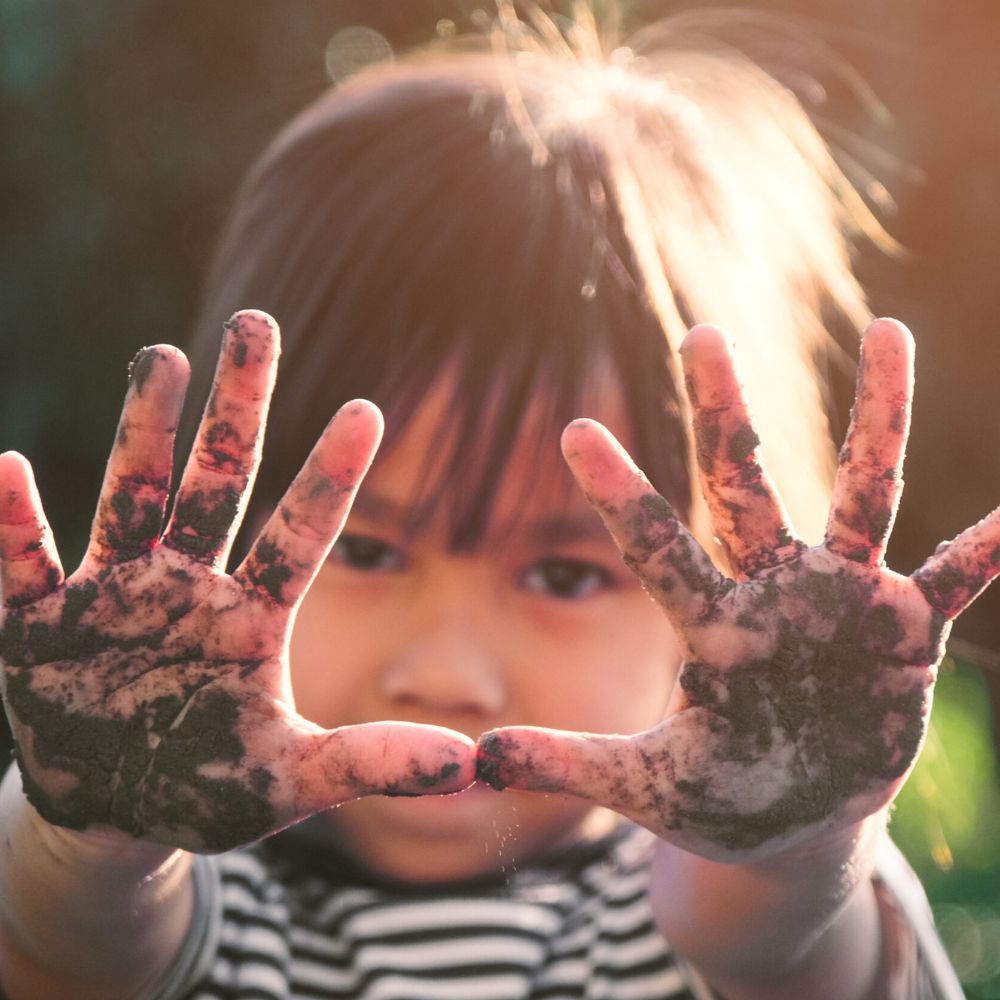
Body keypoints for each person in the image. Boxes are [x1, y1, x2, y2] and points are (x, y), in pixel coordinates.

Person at [0, 6, 995, 998]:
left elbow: (783, 949)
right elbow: (73, 945)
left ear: (725, 589)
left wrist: (785, 849)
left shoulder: (704, 914)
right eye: (371, 550)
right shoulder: (178, 881)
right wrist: (92, 842)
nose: (447, 674)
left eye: (560, 574)